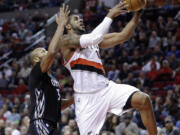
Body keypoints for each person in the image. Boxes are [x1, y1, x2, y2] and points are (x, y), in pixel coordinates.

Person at [60, 2, 157, 135]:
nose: (80, 20)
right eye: (76, 19)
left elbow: (123, 36)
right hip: (87, 100)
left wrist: (138, 13)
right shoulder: (66, 40)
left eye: (81, 18)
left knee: (144, 100)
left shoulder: (93, 40)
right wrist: (110, 14)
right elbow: (94, 38)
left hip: (106, 90)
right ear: (68, 25)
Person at [28, 5, 74, 135]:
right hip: (40, 123)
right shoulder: (36, 72)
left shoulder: (53, 76)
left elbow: (57, 104)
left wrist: (73, 99)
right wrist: (61, 26)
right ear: (37, 59)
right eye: (42, 51)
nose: (46, 51)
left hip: (52, 125)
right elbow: (53, 51)